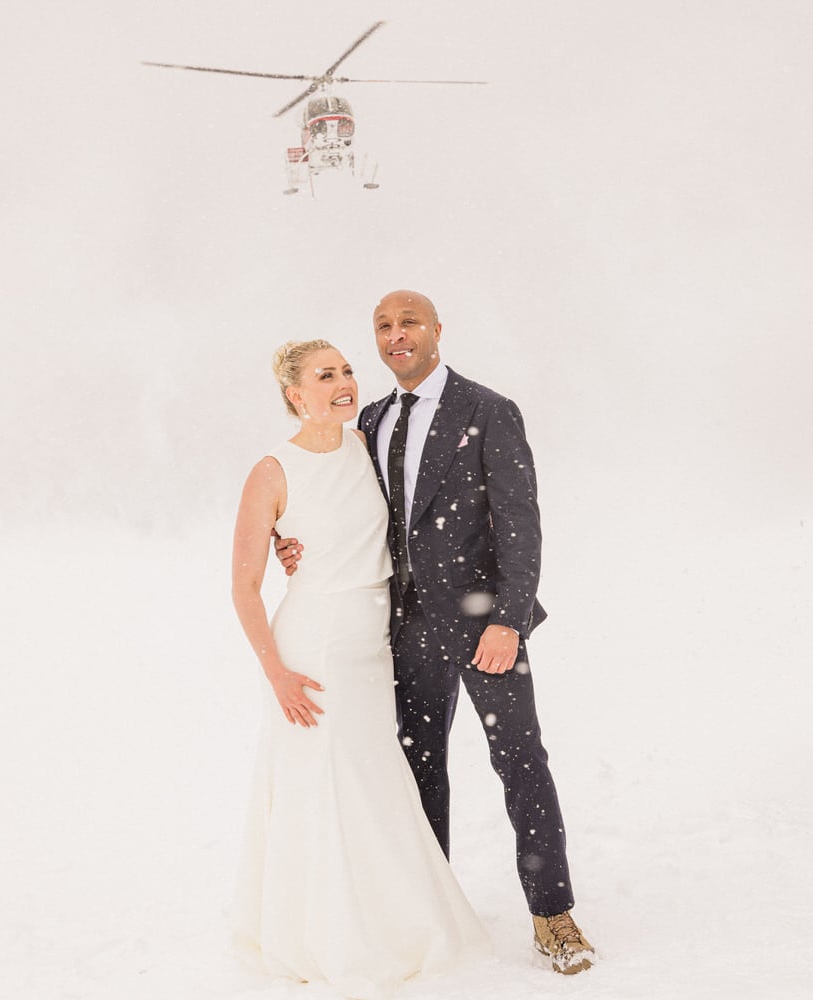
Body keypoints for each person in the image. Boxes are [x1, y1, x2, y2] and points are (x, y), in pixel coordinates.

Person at [275, 291, 597, 975]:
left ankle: (553, 915)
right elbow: (338, 506)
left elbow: (520, 523)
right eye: (384, 327)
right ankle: (429, 912)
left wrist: (510, 617)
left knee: (520, 761)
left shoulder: (487, 411)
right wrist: (290, 543)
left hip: (486, 626)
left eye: (409, 323)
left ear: (436, 331)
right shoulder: (369, 419)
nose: (397, 335)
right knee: (416, 771)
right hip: (402, 627)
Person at [228, 338, 490, 996]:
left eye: (346, 370)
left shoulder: (365, 446)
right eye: (326, 375)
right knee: (321, 788)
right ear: (295, 394)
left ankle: (387, 918)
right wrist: (277, 675)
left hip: (371, 644)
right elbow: (243, 585)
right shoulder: (271, 471)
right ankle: (321, 934)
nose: (344, 381)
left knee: (371, 784)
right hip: (312, 647)